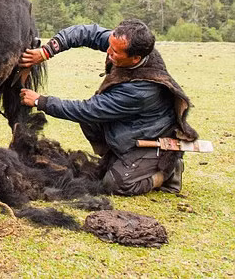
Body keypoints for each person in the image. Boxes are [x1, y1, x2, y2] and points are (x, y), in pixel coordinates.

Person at [19, 20, 197, 196]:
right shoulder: (122, 44)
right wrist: (46, 51)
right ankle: (116, 159)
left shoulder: (141, 90)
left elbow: (88, 110)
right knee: (91, 128)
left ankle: (167, 173)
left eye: (116, 52)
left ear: (135, 58)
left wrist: (40, 101)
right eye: (109, 46)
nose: (109, 52)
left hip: (150, 139)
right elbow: (85, 33)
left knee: (116, 184)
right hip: (131, 126)